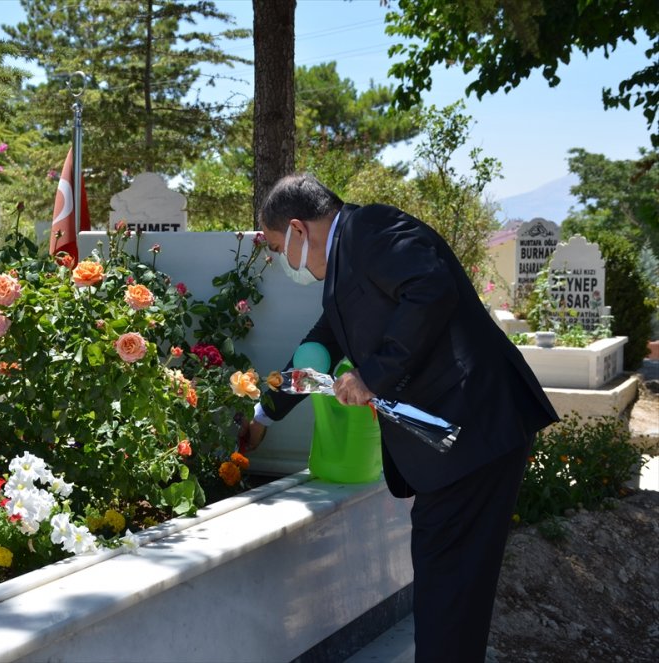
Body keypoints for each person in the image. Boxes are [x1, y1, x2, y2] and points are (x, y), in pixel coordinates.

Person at [238, 173, 558, 663]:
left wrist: (372, 376)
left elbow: (431, 288)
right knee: (448, 592)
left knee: (448, 593)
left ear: (299, 230)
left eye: (280, 249)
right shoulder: (345, 266)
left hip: (471, 431)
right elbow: (319, 347)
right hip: (455, 444)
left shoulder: (372, 229)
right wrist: (264, 413)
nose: (284, 262)